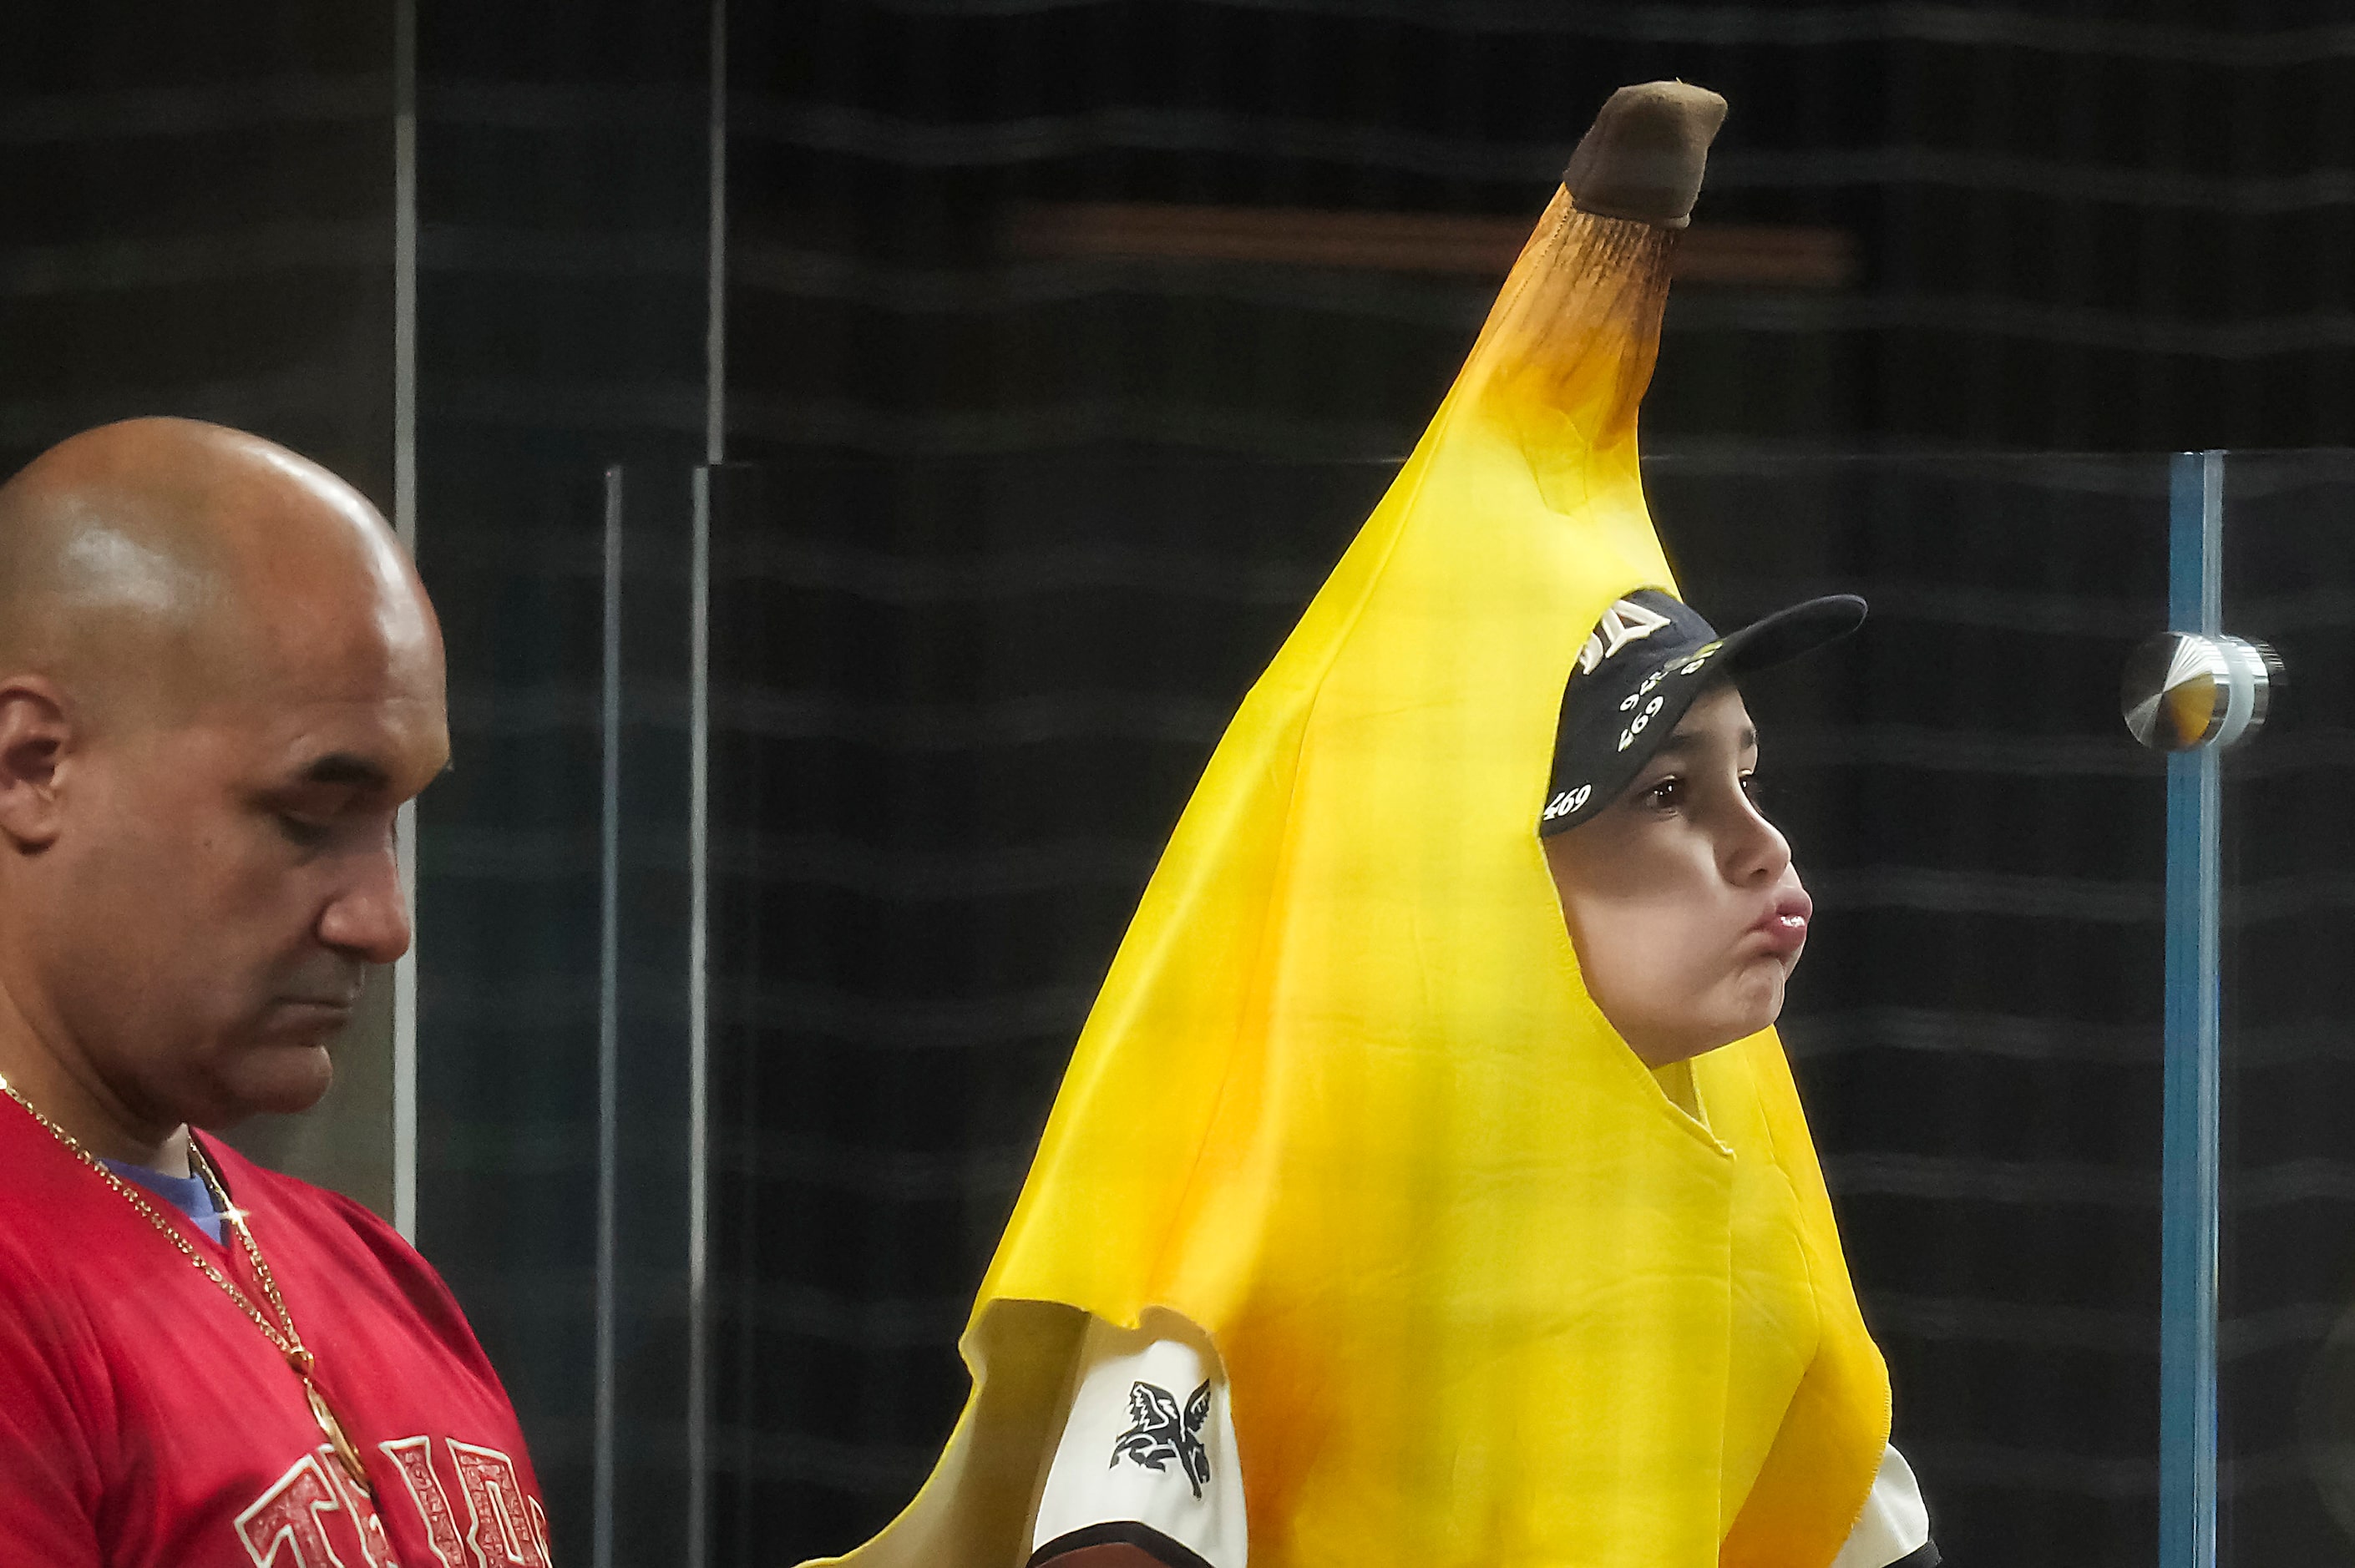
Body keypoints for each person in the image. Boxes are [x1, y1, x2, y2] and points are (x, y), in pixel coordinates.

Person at [813, 83, 1925, 1568]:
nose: (1762, 849)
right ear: (1465, 875)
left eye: (1750, 777)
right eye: (1665, 791)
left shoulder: (1772, 1258)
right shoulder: (1226, 1282)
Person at [0, 417, 550, 1566]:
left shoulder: (375, 1272)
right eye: (310, 815)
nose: (383, 921)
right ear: (32, 765)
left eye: (394, 819)